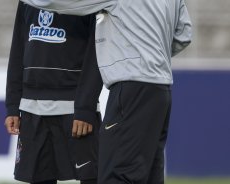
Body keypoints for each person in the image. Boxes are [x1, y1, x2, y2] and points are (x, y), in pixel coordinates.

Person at [18, 0, 192, 184]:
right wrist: (151, 56)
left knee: (116, 175)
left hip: (131, 90)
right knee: (149, 177)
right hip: (161, 90)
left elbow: (58, 2)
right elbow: (183, 34)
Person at [4, 1, 103, 184]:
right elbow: (17, 48)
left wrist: (85, 108)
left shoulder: (91, 2)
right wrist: (12, 105)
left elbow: (96, 55)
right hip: (31, 110)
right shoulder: (27, 1)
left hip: (75, 109)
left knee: (92, 178)